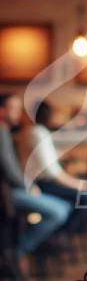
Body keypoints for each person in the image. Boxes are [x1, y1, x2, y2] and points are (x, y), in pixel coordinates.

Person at [0, 93, 72, 257]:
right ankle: (17, 251)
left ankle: (27, 247)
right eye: (14, 109)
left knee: (66, 207)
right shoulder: (1, 133)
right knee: (59, 211)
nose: (19, 113)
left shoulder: (7, 133)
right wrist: (29, 186)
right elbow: (9, 170)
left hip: (13, 189)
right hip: (7, 195)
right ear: (1, 112)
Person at [17, 99, 87, 232]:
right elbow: (52, 172)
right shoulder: (38, 132)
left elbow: (43, 159)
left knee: (82, 197)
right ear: (47, 115)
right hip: (39, 183)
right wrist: (77, 183)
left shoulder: (30, 131)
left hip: (37, 181)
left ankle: (60, 235)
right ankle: (61, 235)